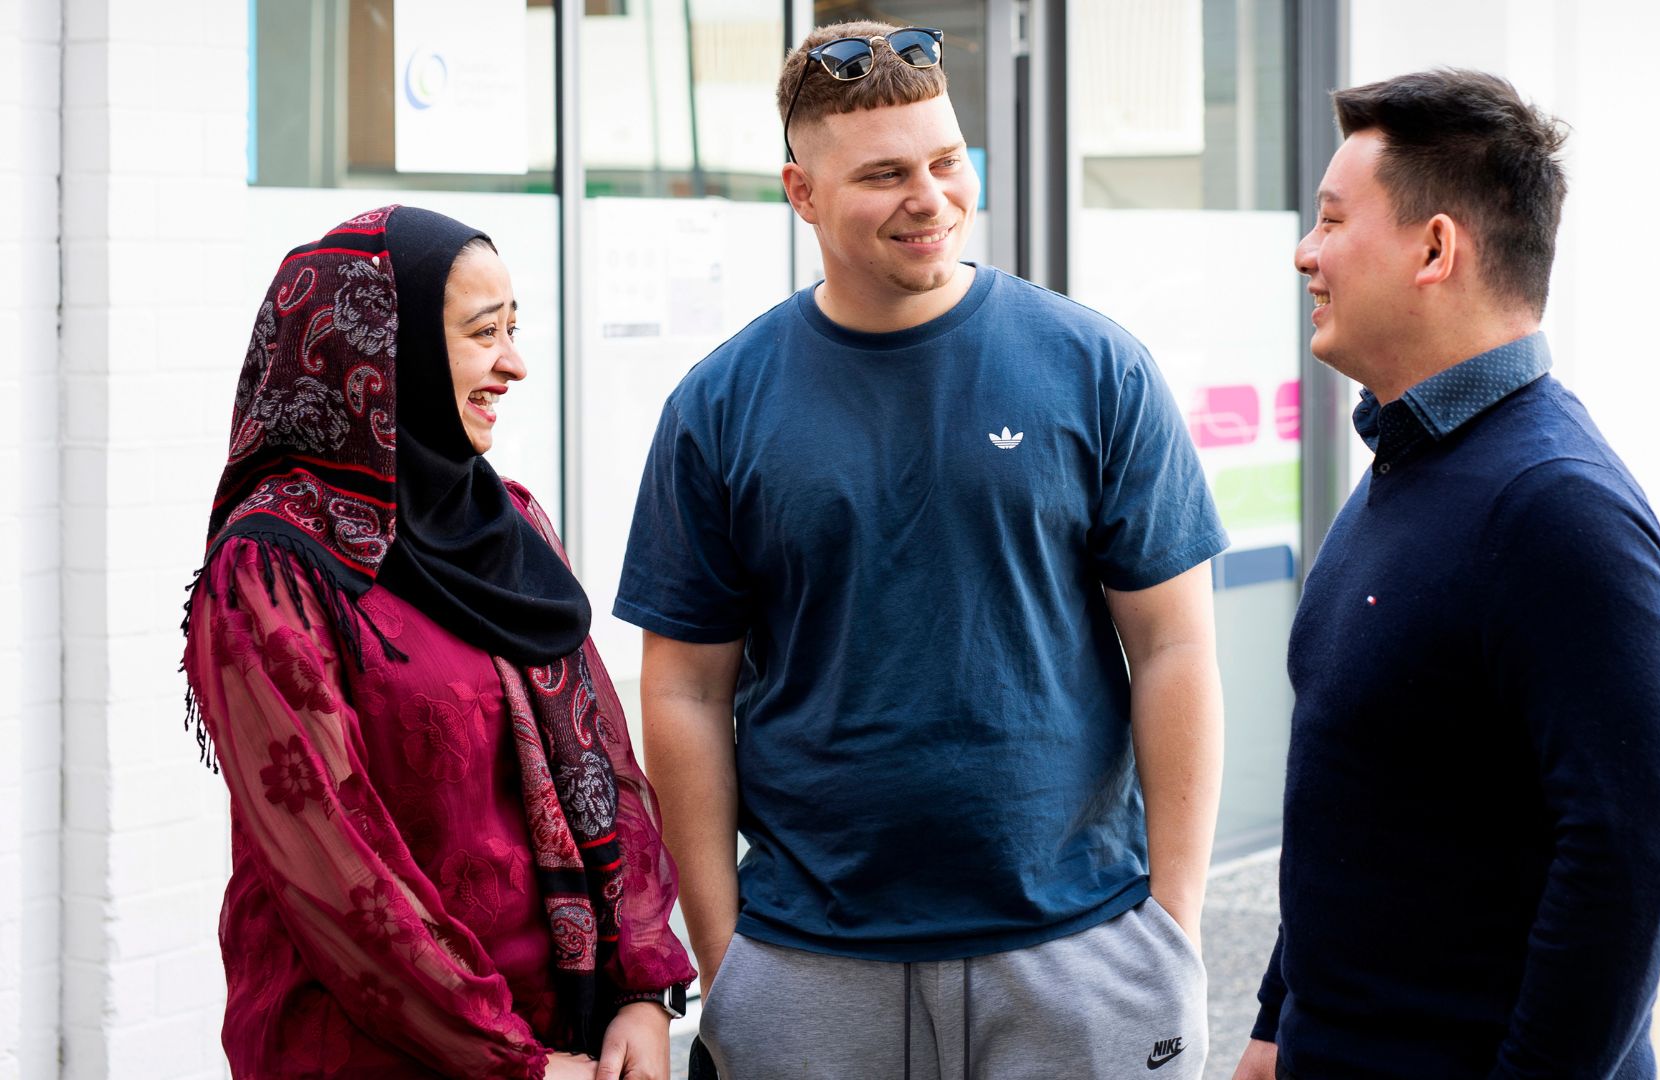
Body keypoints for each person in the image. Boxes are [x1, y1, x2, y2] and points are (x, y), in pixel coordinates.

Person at [615, 20, 1229, 1079]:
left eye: (949, 162)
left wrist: (1169, 927)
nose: (932, 197)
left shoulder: (1093, 369)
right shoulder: (719, 406)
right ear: (801, 193)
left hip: (1081, 951)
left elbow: (1174, 647)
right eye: (886, 174)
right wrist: (727, 959)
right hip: (812, 967)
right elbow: (683, 693)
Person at [1228, 70, 1660, 1080]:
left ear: (1436, 248)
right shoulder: (1406, 467)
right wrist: (1276, 1025)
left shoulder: (1555, 505)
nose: (1304, 252)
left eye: (1334, 219)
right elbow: (1355, 799)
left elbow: (1630, 859)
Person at [182, 205, 694, 1080]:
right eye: (481, 334)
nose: (515, 363)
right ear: (383, 352)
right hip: (377, 1054)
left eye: (514, 329)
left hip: (572, 1038)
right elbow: (339, 868)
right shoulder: (273, 567)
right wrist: (512, 1063)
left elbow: (605, 763)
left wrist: (643, 994)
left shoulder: (510, 523)